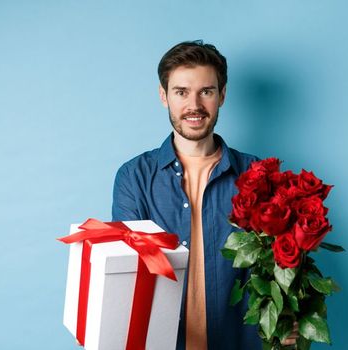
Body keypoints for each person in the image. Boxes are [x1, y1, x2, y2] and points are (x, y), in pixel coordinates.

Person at [111, 41, 297, 349]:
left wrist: (289, 315)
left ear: (222, 95)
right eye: (181, 92)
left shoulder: (258, 174)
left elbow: (281, 265)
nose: (194, 105)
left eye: (206, 91)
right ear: (164, 96)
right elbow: (130, 274)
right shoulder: (134, 178)